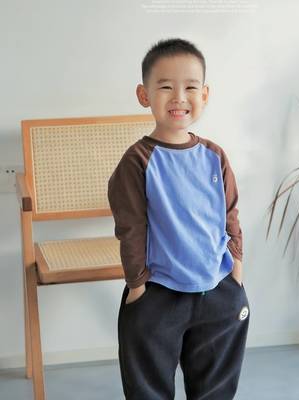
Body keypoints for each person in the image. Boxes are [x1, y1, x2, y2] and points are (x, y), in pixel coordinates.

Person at [108, 37, 250, 400]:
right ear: (144, 95)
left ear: (205, 94)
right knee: (149, 389)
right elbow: (131, 228)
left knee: (215, 388)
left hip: (218, 289)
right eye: (165, 87)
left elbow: (230, 214)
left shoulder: (214, 155)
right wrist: (137, 286)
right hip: (157, 294)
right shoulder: (137, 161)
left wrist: (235, 267)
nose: (179, 97)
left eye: (190, 87)